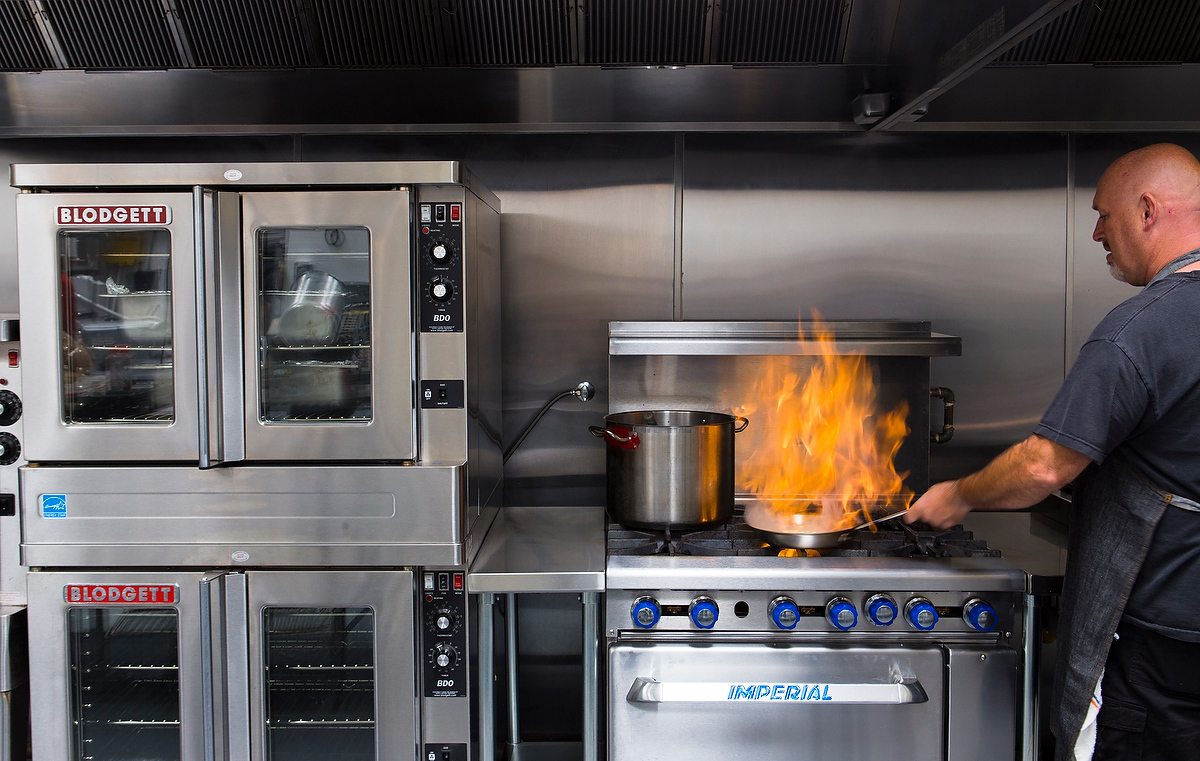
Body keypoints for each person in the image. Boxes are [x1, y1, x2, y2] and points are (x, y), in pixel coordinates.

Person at [904, 143, 1200, 761]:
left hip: (1160, 643)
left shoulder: (1142, 329)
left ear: (1148, 210)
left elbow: (1044, 464)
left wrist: (957, 494)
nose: (1096, 232)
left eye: (1104, 214)